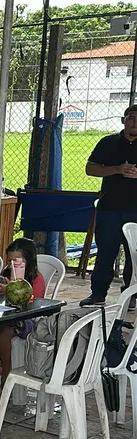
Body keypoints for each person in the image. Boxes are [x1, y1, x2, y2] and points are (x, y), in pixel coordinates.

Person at [82, 104, 137, 306]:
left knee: (134, 256)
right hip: (110, 208)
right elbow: (90, 168)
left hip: (135, 211)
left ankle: (130, 296)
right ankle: (97, 294)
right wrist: (116, 169)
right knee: (105, 252)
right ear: (123, 120)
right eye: (131, 118)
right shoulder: (108, 142)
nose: (135, 123)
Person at [0, 238, 47, 396]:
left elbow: (33, 303)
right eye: (9, 260)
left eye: (16, 260)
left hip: (26, 320)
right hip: (3, 315)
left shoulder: (36, 278)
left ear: (27, 260)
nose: (11, 264)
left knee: (3, 334)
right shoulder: (7, 273)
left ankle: (7, 372)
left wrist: (10, 290)